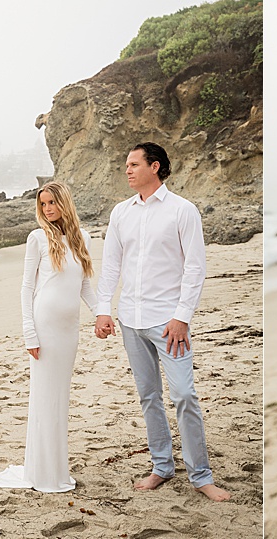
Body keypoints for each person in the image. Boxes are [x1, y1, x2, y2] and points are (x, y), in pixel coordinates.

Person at [93, 142, 230, 502]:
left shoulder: (182, 211)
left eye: (134, 164)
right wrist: (103, 308)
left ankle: (201, 476)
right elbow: (111, 265)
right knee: (149, 395)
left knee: (184, 394)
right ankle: (162, 467)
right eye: (126, 164)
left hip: (168, 322)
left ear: (155, 167)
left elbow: (195, 267)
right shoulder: (121, 213)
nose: (128, 170)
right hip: (131, 320)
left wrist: (182, 317)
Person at [0, 181, 96, 493]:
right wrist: (29, 333)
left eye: (52, 203)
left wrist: (102, 312)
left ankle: (56, 468)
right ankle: (44, 474)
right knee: (45, 400)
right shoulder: (37, 238)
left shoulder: (82, 238)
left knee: (59, 400)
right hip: (45, 329)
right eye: (43, 204)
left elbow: (85, 285)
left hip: (69, 331)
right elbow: (26, 287)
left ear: (65, 203)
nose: (48, 209)